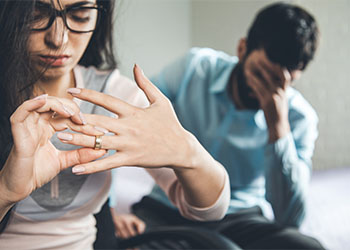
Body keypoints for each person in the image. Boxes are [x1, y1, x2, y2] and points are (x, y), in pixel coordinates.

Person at [0, 0, 230, 249]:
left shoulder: (118, 96)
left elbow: (208, 210)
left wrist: (189, 153)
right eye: (36, 15)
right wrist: (6, 192)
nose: (58, 39)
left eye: (80, 15)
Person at [126, 2, 325, 249]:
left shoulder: (299, 118)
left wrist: (278, 127)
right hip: (169, 208)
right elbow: (133, 112)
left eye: (279, 82)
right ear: (242, 49)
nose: (265, 89)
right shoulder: (195, 68)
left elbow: (289, 218)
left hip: (240, 219)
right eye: (261, 74)